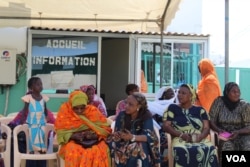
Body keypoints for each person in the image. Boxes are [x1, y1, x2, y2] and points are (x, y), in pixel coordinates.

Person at [162, 84, 219, 167]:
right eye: (179, 92)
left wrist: (200, 136)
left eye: (183, 93)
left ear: (191, 95)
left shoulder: (200, 110)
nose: (179, 95)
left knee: (210, 148)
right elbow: (166, 126)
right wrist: (181, 135)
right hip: (179, 138)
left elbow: (206, 127)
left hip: (199, 138)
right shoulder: (172, 108)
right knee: (181, 150)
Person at [55, 90, 112, 167]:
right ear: (71, 105)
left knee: (102, 149)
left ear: (86, 104)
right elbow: (61, 133)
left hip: (94, 140)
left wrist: (94, 135)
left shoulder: (93, 111)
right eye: (76, 108)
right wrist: (73, 135)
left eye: (82, 108)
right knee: (71, 150)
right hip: (73, 141)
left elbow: (105, 129)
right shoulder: (65, 112)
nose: (79, 111)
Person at [108, 92, 161, 167]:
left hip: (141, 142)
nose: (126, 106)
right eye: (126, 103)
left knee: (138, 147)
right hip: (123, 142)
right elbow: (117, 132)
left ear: (139, 106)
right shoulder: (122, 115)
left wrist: (132, 137)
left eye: (130, 104)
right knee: (112, 143)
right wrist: (120, 135)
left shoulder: (146, 115)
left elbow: (148, 136)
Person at [209, 82, 250, 164]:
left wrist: (238, 132)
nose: (237, 94)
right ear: (227, 92)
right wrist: (219, 130)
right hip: (224, 134)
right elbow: (211, 120)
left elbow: (248, 127)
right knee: (227, 146)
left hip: (240, 134)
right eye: (233, 91)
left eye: (238, 91)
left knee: (247, 145)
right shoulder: (219, 102)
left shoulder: (244, 105)